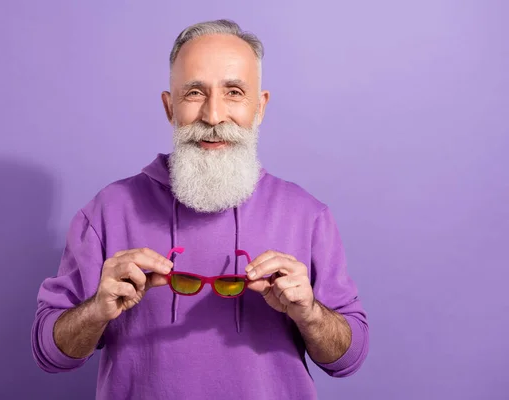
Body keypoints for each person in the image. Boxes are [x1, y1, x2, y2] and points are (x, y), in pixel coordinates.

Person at [31, 19, 369, 399]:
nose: (213, 116)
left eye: (234, 92)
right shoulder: (106, 212)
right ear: (169, 106)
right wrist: (95, 310)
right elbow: (50, 354)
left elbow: (347, 358)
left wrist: (310, 313)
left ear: (260, 107)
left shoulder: (308, 216)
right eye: (194, 92)